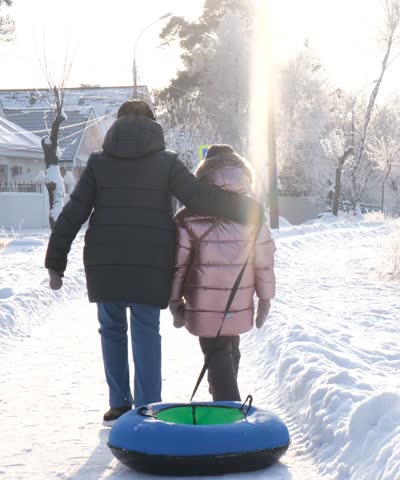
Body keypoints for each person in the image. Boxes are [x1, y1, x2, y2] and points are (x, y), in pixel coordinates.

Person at [44, 101, 263, 425]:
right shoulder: (167, 162)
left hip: (105, 261)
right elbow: (199, 198)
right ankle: (147, 408)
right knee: (145, 330)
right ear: (153, 126)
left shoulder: (98, 163)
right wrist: (245, 208)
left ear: (117, 126)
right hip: (151, 260)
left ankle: (119, 405)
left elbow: (73, 212)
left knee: (111, 329)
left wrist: (55, 260)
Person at [169, 146, 275, 401]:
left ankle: (227, 411)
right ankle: (224, 402)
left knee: (217, 355)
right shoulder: (253, 212)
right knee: (230, 350)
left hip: (203, 301)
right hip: (239, 298)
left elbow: (179, 265)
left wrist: (174, 301)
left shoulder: (188, 215)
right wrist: (265, 298)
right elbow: (264, 262)